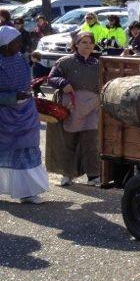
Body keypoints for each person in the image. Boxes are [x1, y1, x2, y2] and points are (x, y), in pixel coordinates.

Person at [0, 26, 49, 203]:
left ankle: (27, 192)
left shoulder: (21, 58)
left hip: (26, 114)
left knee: (27, 152)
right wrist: (13, 97)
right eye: (16, 42)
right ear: (5, 45)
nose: (20, 45)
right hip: (4, 118)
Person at [46, 31, 101, 187]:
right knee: (68, 141)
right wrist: (63, 83)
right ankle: (67, 174)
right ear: (76, 45)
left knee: (91, 141)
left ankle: (93, 176)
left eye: (91, 42)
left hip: (92, 108)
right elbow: (51, 78)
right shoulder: (65, 62)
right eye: (84, 42)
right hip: (70, 107)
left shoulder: (98, 64)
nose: (88, 45)